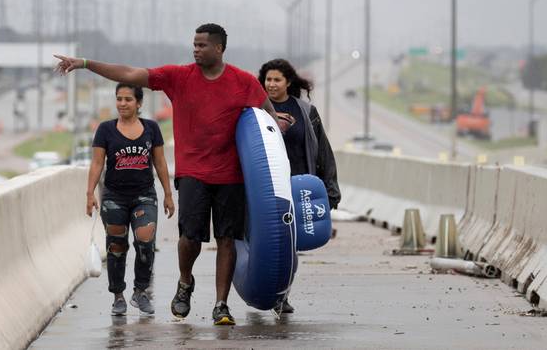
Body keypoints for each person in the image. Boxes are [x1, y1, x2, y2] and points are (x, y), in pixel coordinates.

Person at [56, 23, 292, 326]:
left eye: (202, 45)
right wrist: (85, 64)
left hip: (231, 174)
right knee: (190, 238)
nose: (195, 49)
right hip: (193, 171)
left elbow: (266, 116)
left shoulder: (243, 81)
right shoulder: (178, 77)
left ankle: (221, 304)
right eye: (194, 44)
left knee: (227, 239)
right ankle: (185, 282)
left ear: (219, 48)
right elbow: (129, 74)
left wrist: (278, 124)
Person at [258, 57, 341, 314]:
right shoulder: (255, 110)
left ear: (288, 82)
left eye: (276, 80)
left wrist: (330, 191)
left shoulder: (305, 112)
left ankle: (282, 295)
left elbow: (323, 152)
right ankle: (259, 288)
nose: (271, 84)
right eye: (267, 80)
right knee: (264, 244)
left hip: (297, 188)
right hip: (265, 189)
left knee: (290, 248)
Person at [86, 84, 175, 316]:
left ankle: (141, 291)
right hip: (114, 197)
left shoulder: (151, 128)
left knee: (145, 243)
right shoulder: (105, 130)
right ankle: (118, 296)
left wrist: (167, 193)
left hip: (144, 195)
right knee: (116, 247)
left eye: (128, 99)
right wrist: (90, 193)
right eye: (119, 99)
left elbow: (160, 162)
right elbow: (97, 163)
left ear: (138, 103)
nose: (122, 103)